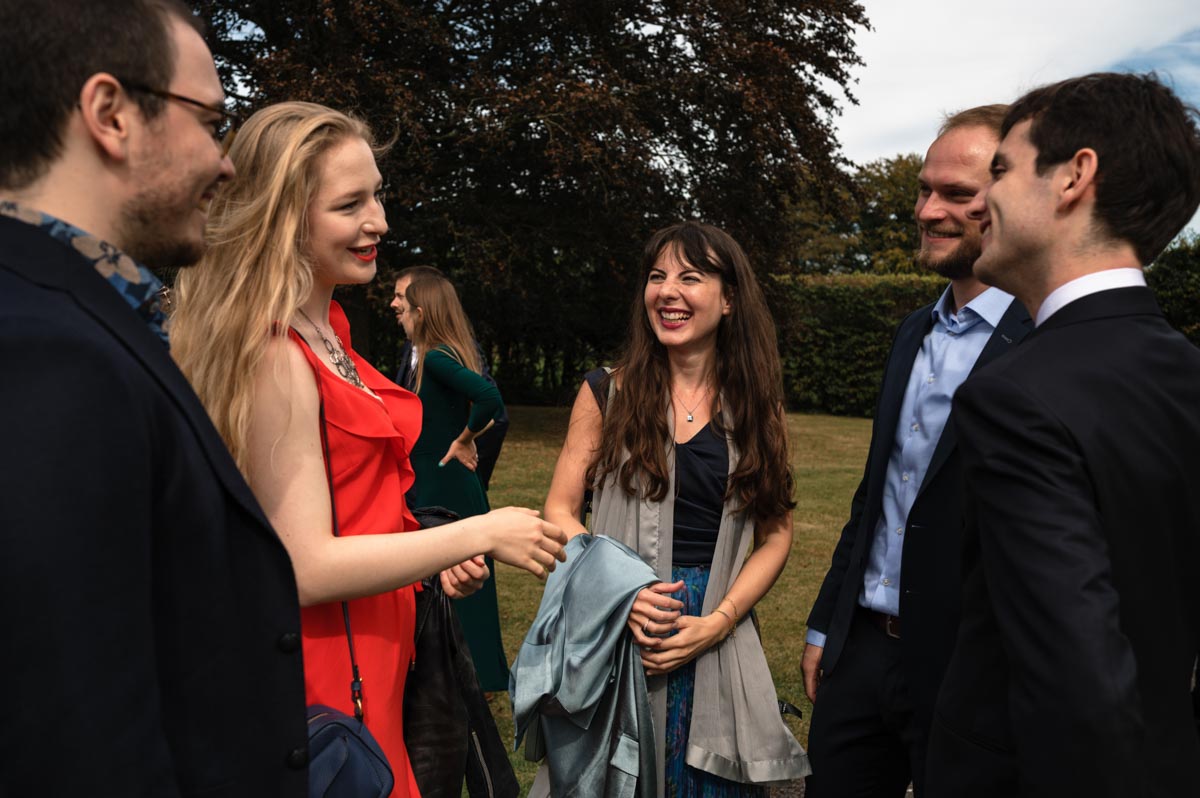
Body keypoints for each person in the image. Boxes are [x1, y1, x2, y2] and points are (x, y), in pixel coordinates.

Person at [170, 101, 566, 797]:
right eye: (350, 203)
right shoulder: (276, 355)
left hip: (380, 663)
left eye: (377, 193)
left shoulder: (333, 329)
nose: (379, 220)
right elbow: (305, 565)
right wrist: (480, 529)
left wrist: (436, 559)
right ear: (283, 218)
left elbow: (359, 513)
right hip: (326, 676)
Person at [0, 1, 310, 794]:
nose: (227, 161)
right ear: (111, 114)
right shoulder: (51, 356)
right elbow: (75, 734)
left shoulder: (79, 318)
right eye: (209, 120)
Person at [926, 73, 1200, 798]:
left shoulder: (1016, 394)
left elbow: (1078, 683)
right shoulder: (1186, 370)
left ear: (1075, 176)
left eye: (1003, 172)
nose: (981, 203)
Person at [801, 106, 1031, 797]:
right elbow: (878, 492)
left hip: (970, 666)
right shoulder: (912, 332)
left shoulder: (1051, 342)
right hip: (861, 653)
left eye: (957, 195)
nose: (929, 211)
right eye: (924, 190)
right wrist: (824, 627)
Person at [542, 221, 810, 796]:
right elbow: (560, 513)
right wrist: (623, 593)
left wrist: (718, 621)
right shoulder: (604, 394)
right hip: (623, 629)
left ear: (730, 297)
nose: (668, 291)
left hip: (715, 625)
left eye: (690, 277)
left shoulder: (759, 407)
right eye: (657, 276)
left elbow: (777, 535)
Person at [404, 273, 512, 692]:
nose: (400, 315)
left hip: (443, 480)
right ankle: (458, 670)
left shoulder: (435, 357)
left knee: (459, 576)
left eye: (406, 307)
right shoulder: (445, 353)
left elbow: (489, 399)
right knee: (454, 576)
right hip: (439, 477)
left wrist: (465, 438)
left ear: (421, 312)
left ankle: (473, 673)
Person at [391, 265, 510, 491]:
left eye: (400, 296)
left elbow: (495, 412)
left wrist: (461, 447)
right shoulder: (411, 347)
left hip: (441, 478)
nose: (394, 304)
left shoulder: (442, 355)